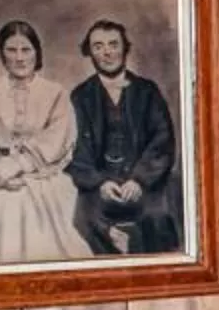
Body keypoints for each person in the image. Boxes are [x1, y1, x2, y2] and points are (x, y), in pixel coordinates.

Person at [0, 20, 87, 266]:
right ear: (2, 55)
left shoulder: (55, 92)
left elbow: (58, 139)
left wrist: (16, 165)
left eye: (26, 49)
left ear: (37, 53)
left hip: (39, 173)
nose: (20, 57)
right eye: (11, 50)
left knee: (29, 207)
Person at [68, 18, 181, 255]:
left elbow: (162, 140)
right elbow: (75, 147)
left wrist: (139, 180)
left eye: (113, 44)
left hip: (143, 182)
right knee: (81, 220)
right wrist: (100, 183)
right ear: (90, 52)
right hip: (100, 184)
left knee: (158, 217)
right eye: (98, 46)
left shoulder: (147, 91)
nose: (107, 52)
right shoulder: (80, 96)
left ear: (124, 49)